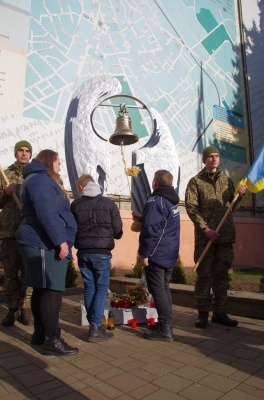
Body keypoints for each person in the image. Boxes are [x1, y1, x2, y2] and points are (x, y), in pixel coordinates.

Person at [16, 149, 78, 356]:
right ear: (49, 161)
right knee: (52, 290)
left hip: (40, 241)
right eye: (58, 162)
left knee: (42, 289)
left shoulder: (36, 179)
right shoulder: (41, 181)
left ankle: (40, 334)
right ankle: (53, 340)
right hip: (43, 242)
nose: (60, 166)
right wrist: (61, 241)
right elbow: (46, 212)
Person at [185, 145, 246, 329]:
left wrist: (240, 196)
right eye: (210, 156)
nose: (214, 159)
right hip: (206, 238)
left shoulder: (226, 181)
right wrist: (205, 229)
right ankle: (202, 314)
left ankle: (220, 312)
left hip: (225, 236)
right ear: (204, 160)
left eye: (217, 156)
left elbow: (232, 207)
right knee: (204, 276)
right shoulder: (196, 182)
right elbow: (191, 208)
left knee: (221, 276)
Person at [71, 174, 123, 342]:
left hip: (83, 252)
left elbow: (71, 228)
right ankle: (95, 327)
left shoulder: (76, 205)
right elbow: (118, 231)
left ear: (81, 187)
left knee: (89, 288)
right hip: (102, 252)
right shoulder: (109, 204)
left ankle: (92, 322)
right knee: (101, 288)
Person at [133, 169, 180, 342]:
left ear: (154, 183)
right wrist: (143, 217)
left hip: (157, 253)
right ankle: (165, 323)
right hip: (169, 252)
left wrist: (144, 254)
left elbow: (151, 231)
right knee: (164, 287)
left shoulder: (155, 202)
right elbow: (161, 223)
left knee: (158, 289)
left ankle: (165, 329)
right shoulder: (171, 201)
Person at [0, 140, 34, 327]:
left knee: (29, 273)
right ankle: (12, 309)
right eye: (20, 150)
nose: (23, 153)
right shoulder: (5, 174)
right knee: (11, 274)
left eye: (27, 150)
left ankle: (26, 307)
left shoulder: (35, 176)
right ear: (15, 152)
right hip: (9, 233)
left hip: (29, 232)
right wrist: (5, 193)